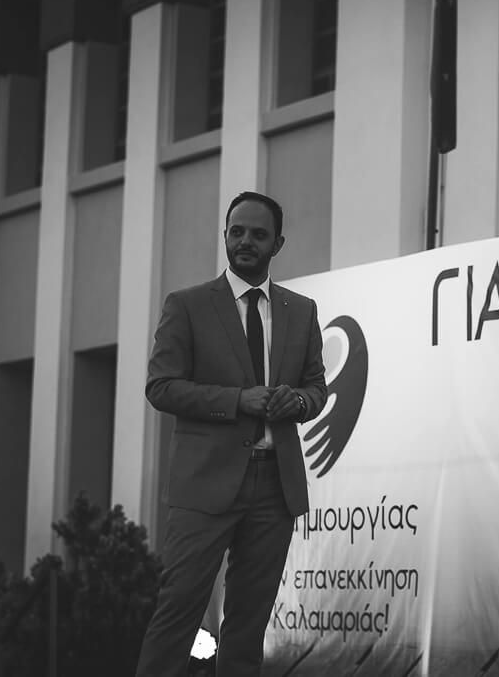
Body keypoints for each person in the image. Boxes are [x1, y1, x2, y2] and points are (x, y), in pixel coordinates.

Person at [136, 191, 327, 676]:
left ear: (277, 244)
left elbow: (316, 388)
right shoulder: (187, 305)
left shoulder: (300, 311)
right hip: (204, 485)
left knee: (247, 627)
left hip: (274, 487)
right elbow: (161, 386)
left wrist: (299, 402)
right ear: (225, 235)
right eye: (236, 231)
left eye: (258, 234)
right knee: (178, 612)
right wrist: (235, 401)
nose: (245, 241)